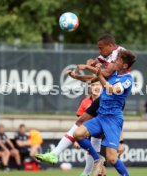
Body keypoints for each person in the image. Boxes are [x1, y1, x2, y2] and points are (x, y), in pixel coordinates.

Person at [35, 34, 125, 167]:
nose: (100, 51)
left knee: (110, 155)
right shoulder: (106, 56)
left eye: (101, 48)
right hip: (105, 97)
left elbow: (105, 73)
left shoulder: (120, 53)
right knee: (82, 124)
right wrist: (78, 75)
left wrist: (87, 67)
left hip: (114, 100)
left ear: (111, 45)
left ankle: (95, 164)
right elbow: (96, 75)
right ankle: (55, 154)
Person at [73, 50, 136, 176]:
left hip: (113, 119)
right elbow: (93, 79)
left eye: (118, 60)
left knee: (112, 158)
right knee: (77, 134)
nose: (114, 61)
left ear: (124, 65)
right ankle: (98, 158)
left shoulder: (127, 79)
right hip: (101, 117)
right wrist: (77, 77)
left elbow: (112, 89)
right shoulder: (113, 74)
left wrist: (100, 75)